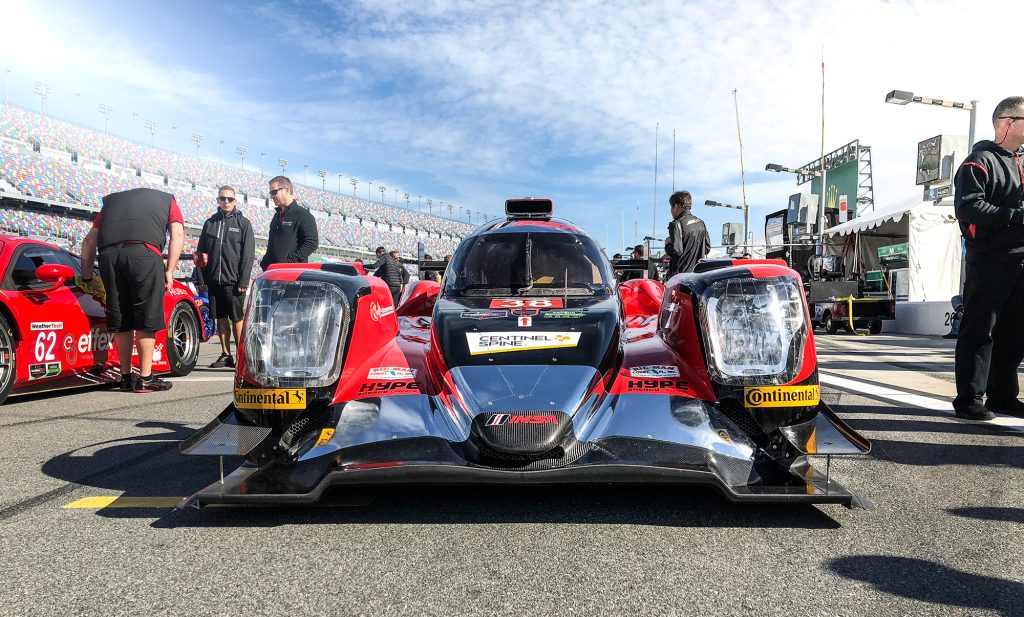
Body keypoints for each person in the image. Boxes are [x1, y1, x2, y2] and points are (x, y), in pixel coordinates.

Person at [952, 96, 1024, 421]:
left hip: (1021, 262)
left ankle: (1004, 396)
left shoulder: (1021, 161)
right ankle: (969, 400)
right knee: (980, 329)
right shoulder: (978, 161)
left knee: (1015, 331)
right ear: (1006, 123)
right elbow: (967, 207)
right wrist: (1015, 215)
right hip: (990, 261)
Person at [79, 187, 184, 392]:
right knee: (146, 315)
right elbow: (177, 235)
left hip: (109, 256)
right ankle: (145, 377)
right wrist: (170, 270)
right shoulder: (167, 200)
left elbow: (89, 241)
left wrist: (87, 277)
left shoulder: (110, 202)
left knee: (120, 317)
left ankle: (125, 377)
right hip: (144, 254)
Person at [196, 185, 255, 369]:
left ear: (235, 201)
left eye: (230, 199)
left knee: (236, 319)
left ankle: (241, 356)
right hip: (214, 280)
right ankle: (226, 355)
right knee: (220, 317)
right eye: (223, 198)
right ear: (218, 201)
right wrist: (201, 278)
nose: (226, 202)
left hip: (235, 281)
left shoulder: (243, 224)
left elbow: (248, 254)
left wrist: (243, 280)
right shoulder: (210, 223)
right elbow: (201, 252)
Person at [259, 176, 319, 271]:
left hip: (292, 274)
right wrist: (265, 263)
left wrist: (289, 262)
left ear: (287, 190)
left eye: (274, 192)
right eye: (271, 193)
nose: (272, 196)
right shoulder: (276, 216)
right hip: (273, 272)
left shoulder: (303, 215)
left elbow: (312, 243)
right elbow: (272, 244)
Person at [664, 190, 710, 276]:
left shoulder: (676, 224)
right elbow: (707, 249)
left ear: (676, 206)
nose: (671, 210)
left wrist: (667, 244)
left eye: (671, 207)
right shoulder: (701, 223)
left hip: (681, 277)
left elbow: (676, 251)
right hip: (698, 275)